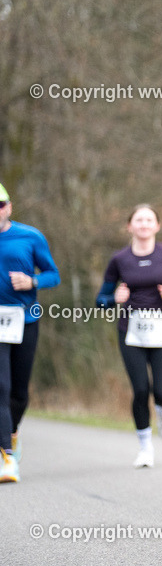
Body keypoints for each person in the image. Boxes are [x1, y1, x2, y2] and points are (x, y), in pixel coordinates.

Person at [96, 204, 162, 468]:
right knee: (141, 390)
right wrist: (113, 299)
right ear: (129, 226)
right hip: (131, 332)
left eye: (148, 220)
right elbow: (100, 299)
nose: (143, 224)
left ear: (157, 226)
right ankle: (145, 448)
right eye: (138, 220)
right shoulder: (119, 260)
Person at [0, 183, 61, 483]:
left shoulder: (30, 236)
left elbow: (53, 274)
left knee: (19, 392)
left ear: (9, 207)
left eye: (0, 205)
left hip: (24, 319)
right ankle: (6, 457)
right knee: (1, 387)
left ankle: (11, 432)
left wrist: (32, 282)